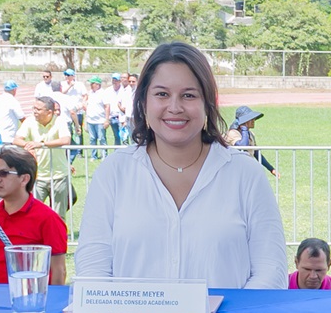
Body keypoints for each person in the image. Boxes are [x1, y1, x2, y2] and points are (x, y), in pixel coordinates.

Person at [75, 41, 287, 287]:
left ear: (207, 103)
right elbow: (93, 269)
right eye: (162, 94)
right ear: (143, 102)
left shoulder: (245, 174)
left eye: (188, 95)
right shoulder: (114, 172)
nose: (174, 107)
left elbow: (270, 270)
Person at [0, 144, 68, 285]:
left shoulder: (48, 218)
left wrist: (51, 304)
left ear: (24, 179)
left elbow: (58, 269)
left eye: (4, 173)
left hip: (30, 301)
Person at [12, 95, 73, 217]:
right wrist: (28, 145)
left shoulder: (59, 121)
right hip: (38, 176)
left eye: (38, 109)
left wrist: (42, 144)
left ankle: (58, 236)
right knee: (34, 213)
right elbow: (16, 140)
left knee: (58, 215)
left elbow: (66, 140)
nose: (35, 112)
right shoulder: (30, 121)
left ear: (49, 112)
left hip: (58, 176)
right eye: (34, 108)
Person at [228, 105, 278, 177]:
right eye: (250, 119)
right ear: (244, 121)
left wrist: (271, 169)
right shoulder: (233, 133)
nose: (253, 120)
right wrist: (244, 128)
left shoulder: (250, 134)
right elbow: (243, 146)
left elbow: (257, 153)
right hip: (236, 171)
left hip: (247, 169)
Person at [84, 76, 110, 153]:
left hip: (100, 121)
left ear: (97, 84)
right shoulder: (90, 93)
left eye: (92, 83)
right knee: (92, 139)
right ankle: (93, 155)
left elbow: (107, 107)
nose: (91, 85)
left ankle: (104, 155)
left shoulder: (103, 93)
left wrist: (107, 120)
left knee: (101, 138)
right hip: (90, 120)